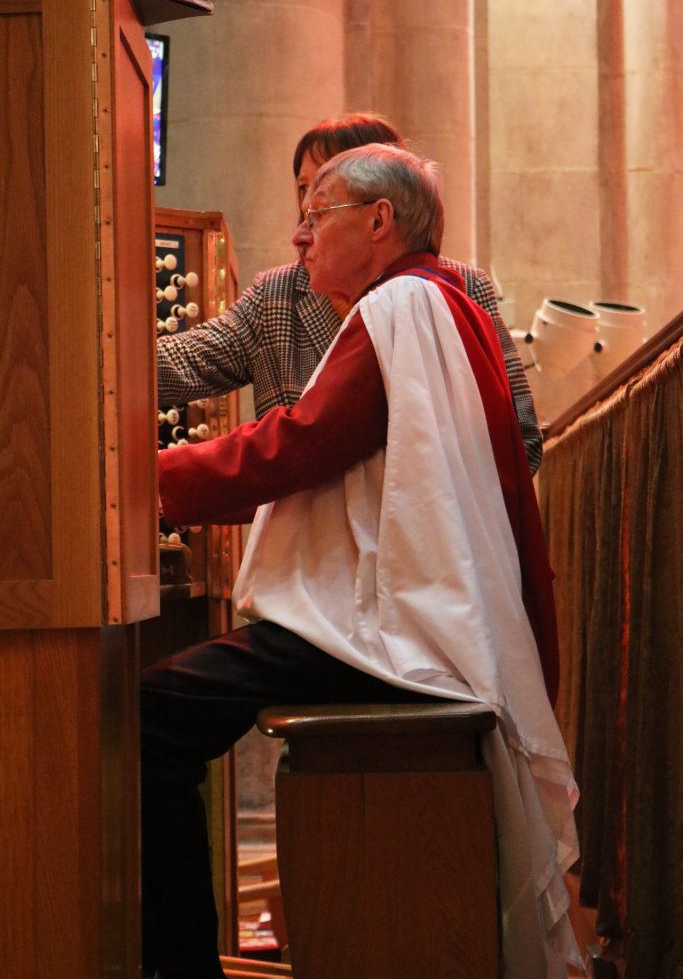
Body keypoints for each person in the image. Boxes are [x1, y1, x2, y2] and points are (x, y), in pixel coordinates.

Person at [143, 145, 580, 979]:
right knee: (168, 704)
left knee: (148, 714)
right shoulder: (433, 301)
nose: (299, 236)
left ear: (379, 220)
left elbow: (300, 444)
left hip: (393, 629)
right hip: (419, 612)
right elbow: (355, 472)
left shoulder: (400, 306)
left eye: (316, 214)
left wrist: (144, 481)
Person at [157, 113, 543, 474]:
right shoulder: (275, 295)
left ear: (380, 212)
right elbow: (185, 362)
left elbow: (520, 441)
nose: (302, 226)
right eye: (304, 191)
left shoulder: (452, 289)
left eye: (325, 197)